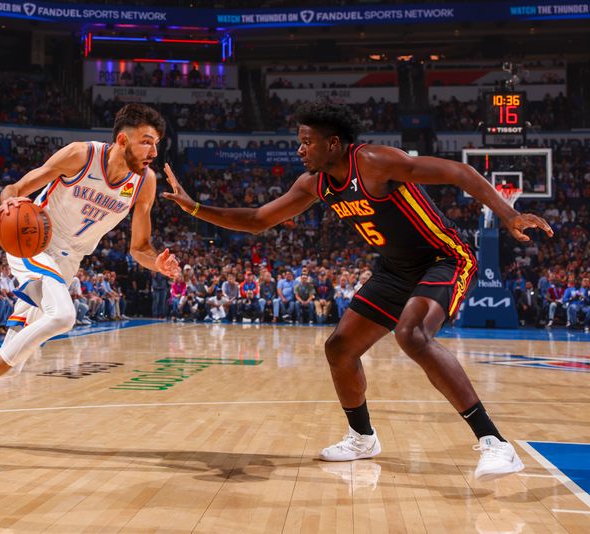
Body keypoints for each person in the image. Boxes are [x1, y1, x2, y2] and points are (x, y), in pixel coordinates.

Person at [162, 101, 553, 481]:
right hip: (394, 270)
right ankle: (363, 438)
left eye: (306, 142)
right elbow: (258, 220)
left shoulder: (374, 162)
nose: (299, 149)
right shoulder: (314, 183)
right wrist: (194, 208)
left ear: (333, 143)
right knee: (339, 348)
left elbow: (458, 172)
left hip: (443, 259)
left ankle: (495, 442)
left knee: (412, 334)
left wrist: (509, 214)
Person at [0, 103, 180, 446]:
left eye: (156, 143)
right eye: (146, 142)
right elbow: (15, 189)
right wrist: (7, 206)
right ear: (123, 139)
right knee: (64, 316)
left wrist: (158, 264)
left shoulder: (144, 183)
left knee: (14, 357)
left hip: (69, 260)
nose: (154, 151)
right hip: (36, 242)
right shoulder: (80, 155)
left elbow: (140, 246)